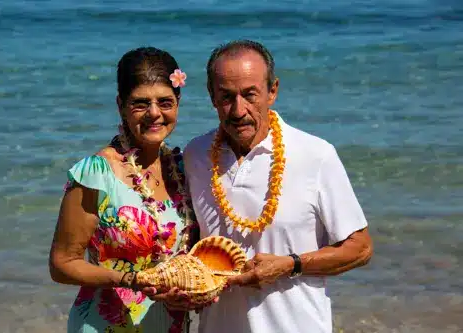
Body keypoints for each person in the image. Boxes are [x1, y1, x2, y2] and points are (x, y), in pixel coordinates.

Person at [99, 40, 373, 333]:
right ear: (212, 97)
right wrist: (177, 289)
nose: (238, 110)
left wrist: (291, 264)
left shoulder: (315, 155)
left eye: (250, 94)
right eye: (227, 97)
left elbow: (360, 248)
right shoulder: (195, 155)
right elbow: (189, 243)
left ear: (273, 91)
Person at [49, 47, 201, 333]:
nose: (154, 113)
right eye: (141, 103)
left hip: (171, 324)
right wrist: (129, 280)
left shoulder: (183, 168)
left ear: (178, 102)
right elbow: (62, 264)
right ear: (121, 105)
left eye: (165, 102)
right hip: (105, 324)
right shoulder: (96, 174)